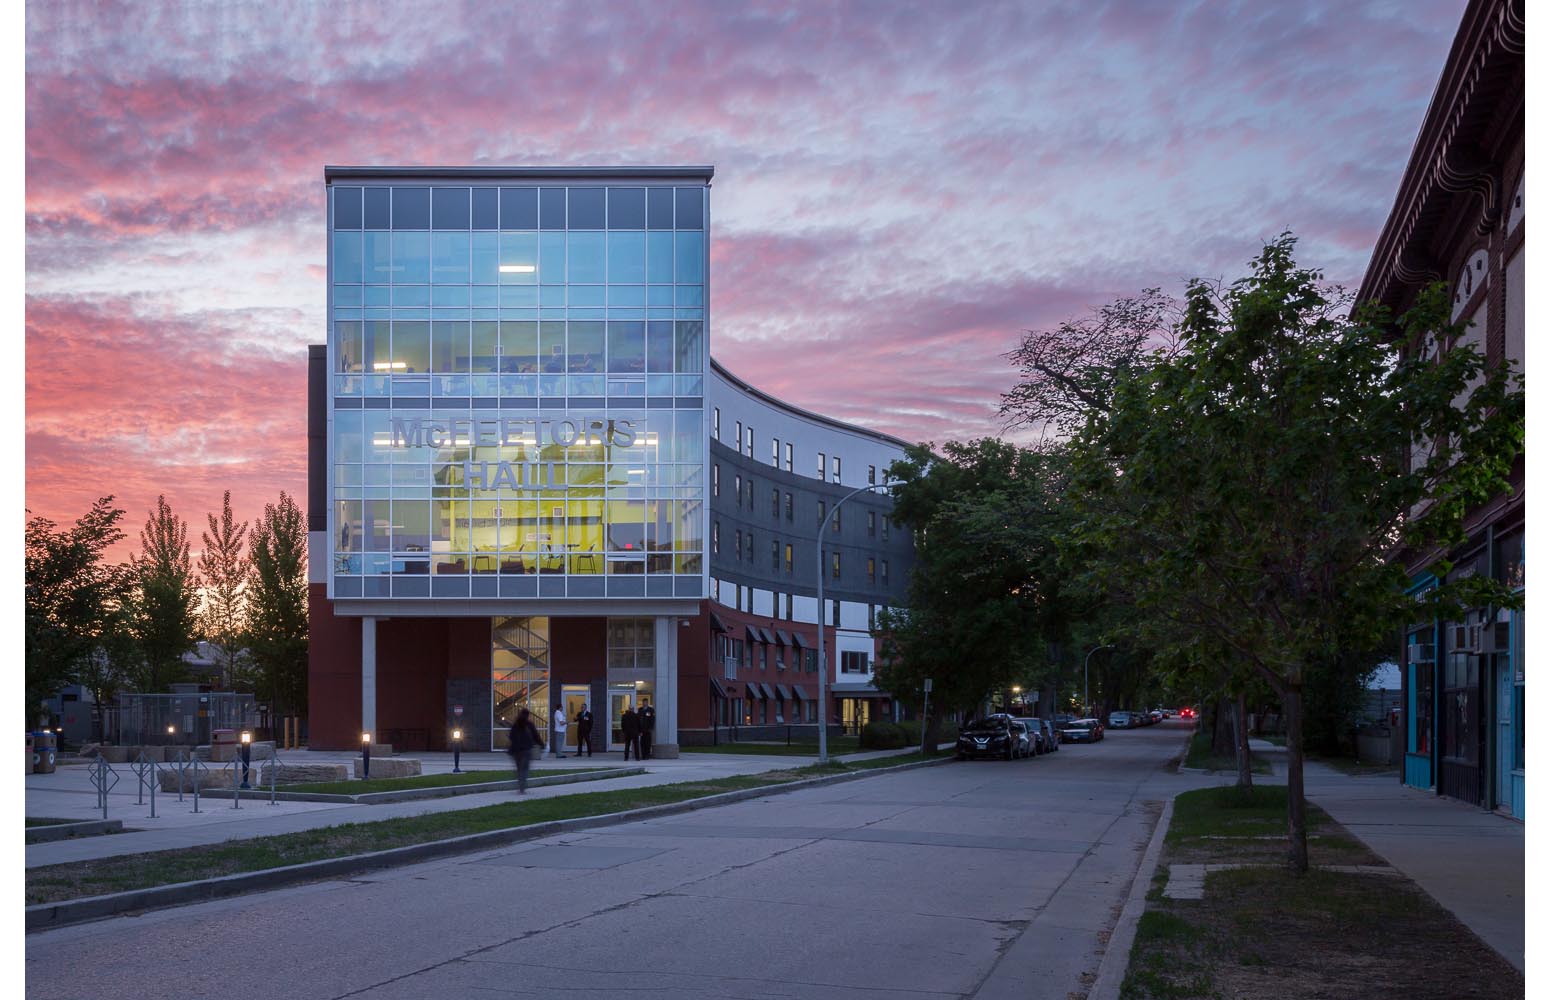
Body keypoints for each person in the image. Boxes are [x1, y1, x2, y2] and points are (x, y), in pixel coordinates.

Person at [507, 708, 543, 794]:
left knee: (519, 769)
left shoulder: (516, 724)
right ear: (528, 715)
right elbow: (536, 736)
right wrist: (541, 744)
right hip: (526, 750)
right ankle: (522, 788)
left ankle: (520, 786)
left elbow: (511, 736)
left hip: (516, 751)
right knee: (525, 769)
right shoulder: (529, 724)